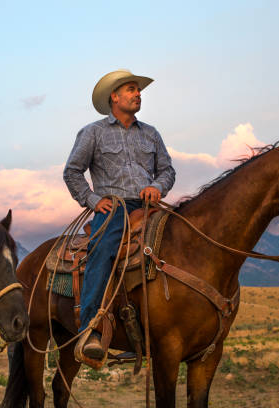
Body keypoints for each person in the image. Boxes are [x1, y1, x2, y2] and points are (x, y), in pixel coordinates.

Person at [63, 69, 175, 361]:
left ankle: (161, 327)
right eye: (130, 89)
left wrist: (156, 186)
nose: (138, 94)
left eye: (138, 90)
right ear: (114, 97)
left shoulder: (151, 133)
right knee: (101, 252)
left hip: (148, 206)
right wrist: (92, 200)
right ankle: (92, 329)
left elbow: (167, 170)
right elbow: (72, 171)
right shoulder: (94, 132)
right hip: (113, 208)